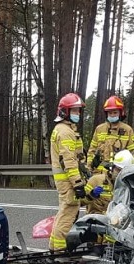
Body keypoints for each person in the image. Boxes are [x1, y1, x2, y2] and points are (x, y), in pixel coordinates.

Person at [49, 93, 87, 251]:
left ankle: (54, 247)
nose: (77, 114)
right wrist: (78, 184)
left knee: (64, 211)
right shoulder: (65, 132)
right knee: (68, 213)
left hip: (65, 179)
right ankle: (59, 251)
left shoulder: (65, 129)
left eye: (78, 111)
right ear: (64, 111)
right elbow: (69, 161)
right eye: (74, 111)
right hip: (68, 180)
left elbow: (76, 157)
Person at [86, 96, 134, 174]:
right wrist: (89, 167)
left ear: (120, 113)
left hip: (119, 172)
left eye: (115, 112)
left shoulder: (127, 130)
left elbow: (133, 153)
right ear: (106, 114)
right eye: (110, 113)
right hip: (98, 173)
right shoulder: (99, 129)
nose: (112, 115)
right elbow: (91, 150)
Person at [83, 149, 134, 215]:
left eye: (124, 171)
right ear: (112, 168)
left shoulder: (130, 186)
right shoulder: (96, 180)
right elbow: (78, 201)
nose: (120, 174)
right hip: (96, 221)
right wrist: (91, 195)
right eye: (118, 170)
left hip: (118, 222)